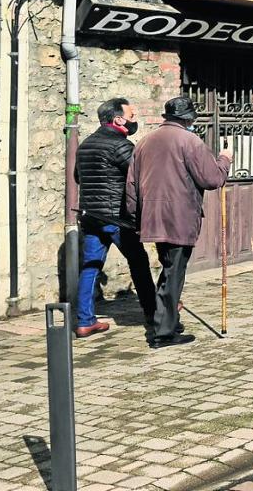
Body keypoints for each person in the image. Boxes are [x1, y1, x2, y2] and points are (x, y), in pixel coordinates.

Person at [126, 96, 231, 349]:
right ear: (188, 119)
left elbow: (131, 185)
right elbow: (212, 179)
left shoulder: (144, 142)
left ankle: (166, 319)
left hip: (152, 217)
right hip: (179, 217)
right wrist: (225, 158)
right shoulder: (190, 141)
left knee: (169, 268)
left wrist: (134, 216)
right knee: (174, 273)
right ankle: (164, 332)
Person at [74, 97, 157, 338]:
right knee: (138, 262)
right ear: (118, 119)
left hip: (91, 216)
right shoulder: (121, 146)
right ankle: (153, 313)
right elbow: (139, 178)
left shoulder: (85, 145)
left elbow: (79, 178)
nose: (135, 120)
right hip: (117, 219)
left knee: (91, 267)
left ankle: (85, 321)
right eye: (132, 116)